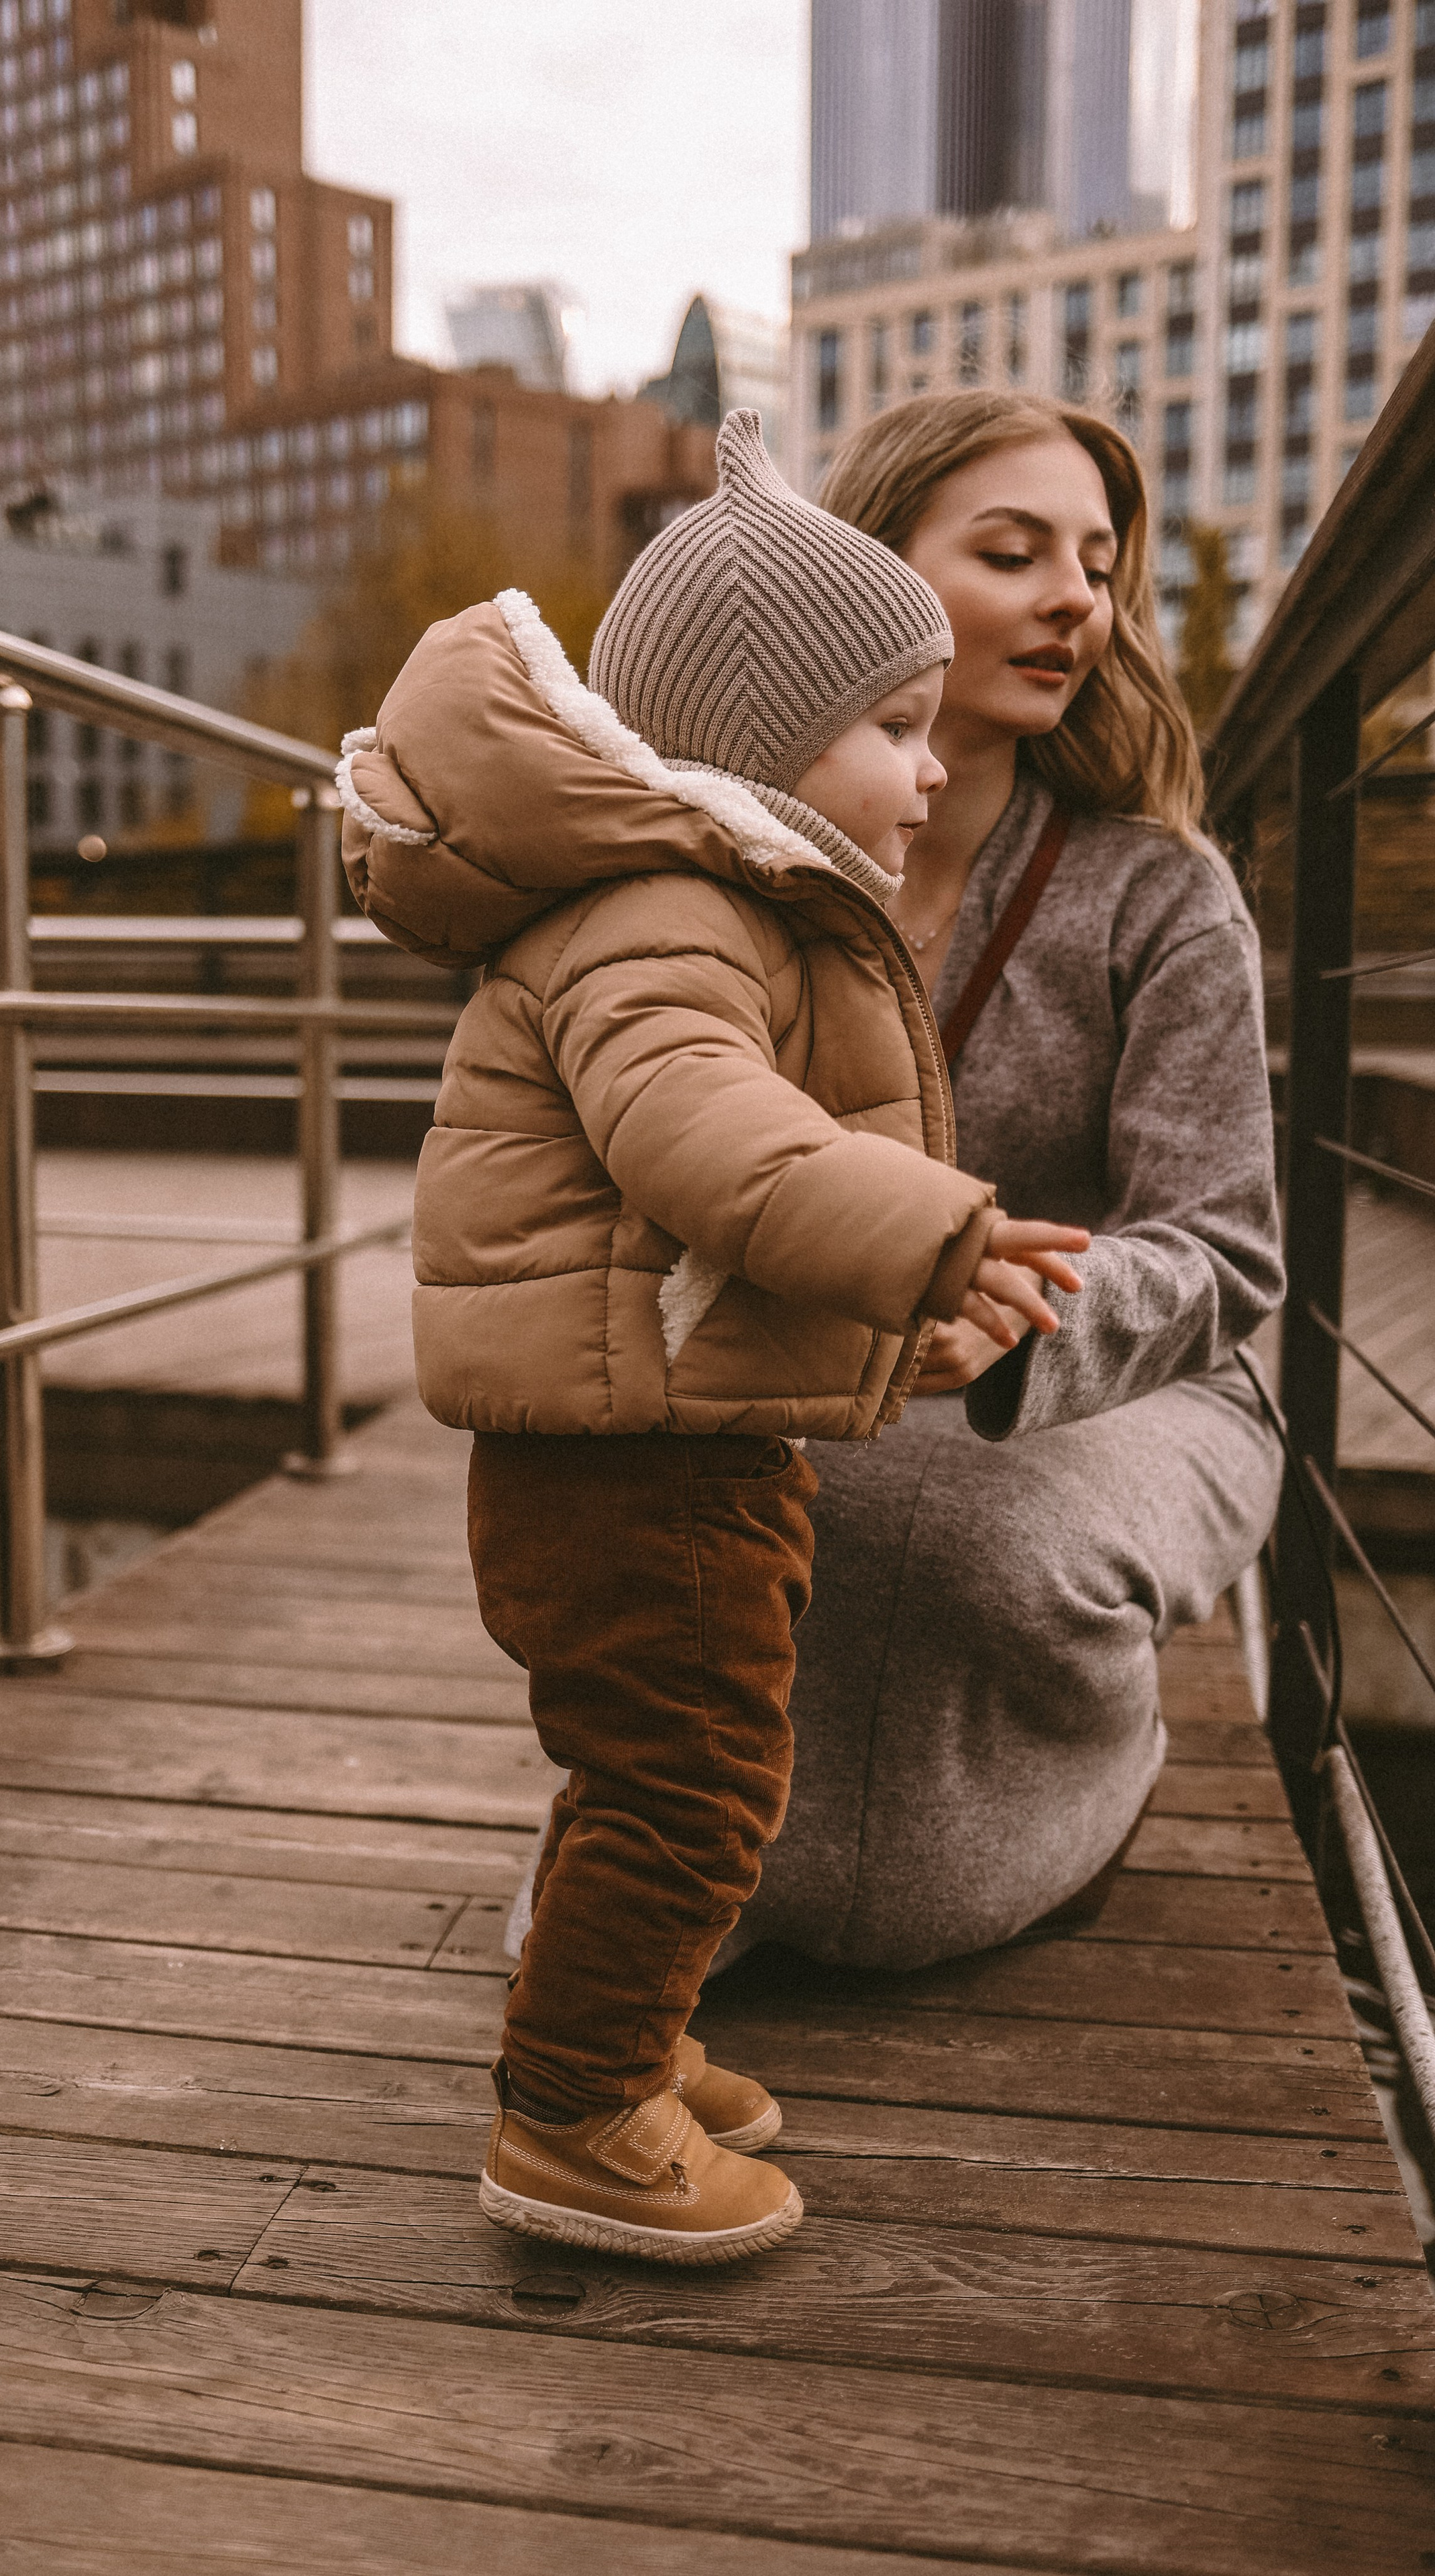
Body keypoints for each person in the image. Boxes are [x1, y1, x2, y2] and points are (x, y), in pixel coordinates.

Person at [337, 411, 1088, 2263]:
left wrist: (894, 1308)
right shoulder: (670, 911)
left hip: (662, 1435)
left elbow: (706, 1217)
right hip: (634, 1471)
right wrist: (931, 1228)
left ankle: (629, 2037)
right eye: (896, 729)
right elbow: (710, 1147)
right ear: (760, 745)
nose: (931, 773)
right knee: (691, 1777)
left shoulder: (703, 900)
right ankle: (576, 2113)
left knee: (688, 1764)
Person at [713, 390, 1286, 1979]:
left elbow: (1226, 1256)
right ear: (865, 573)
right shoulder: (742, 867)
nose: (1074, 603)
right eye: (1014, 551)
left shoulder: (1160, 894)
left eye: (1098, 566)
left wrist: (1027, 1318)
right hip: (803, 1366)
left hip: (1140, 1382)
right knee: (680, 1523)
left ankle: (1088, 1790)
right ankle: (686, 1861)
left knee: (953, 1541)